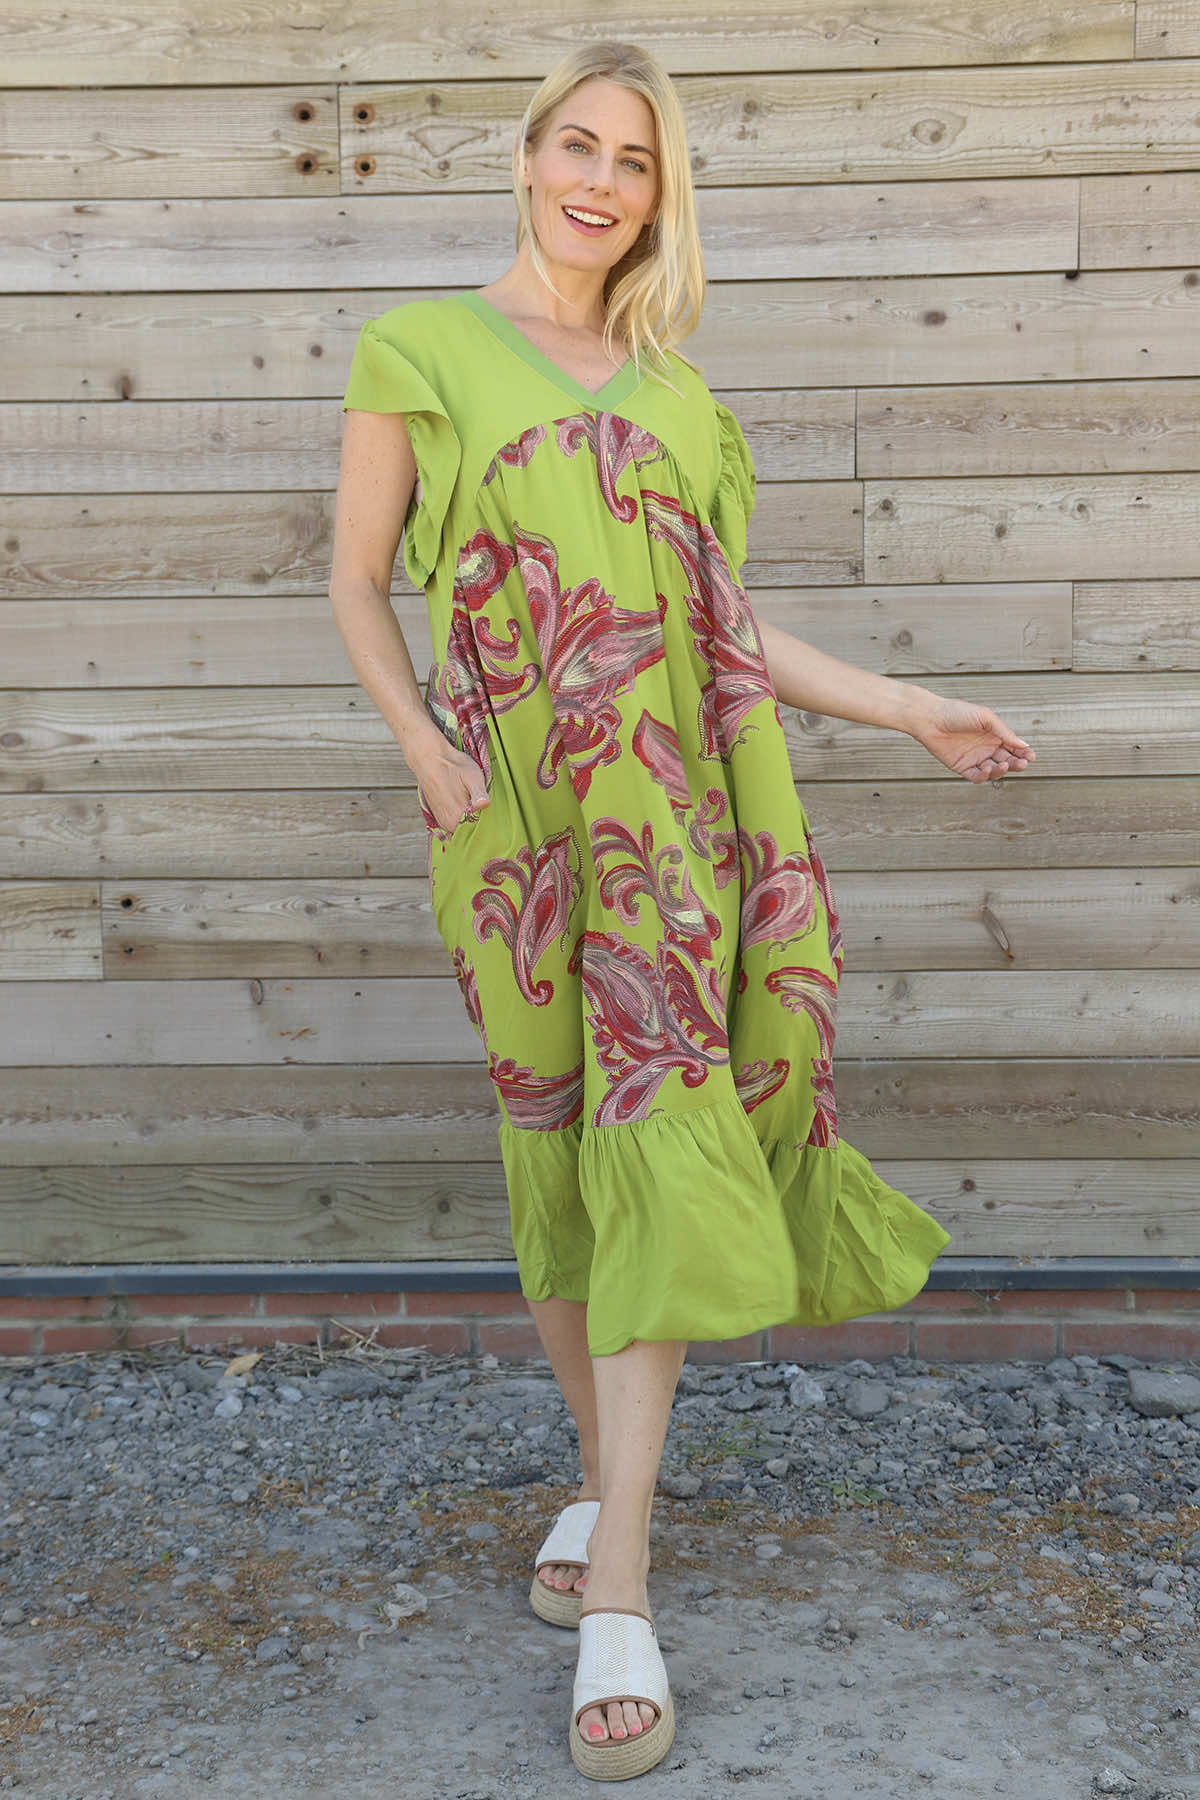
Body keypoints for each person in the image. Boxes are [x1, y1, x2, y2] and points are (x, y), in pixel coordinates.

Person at [328, 40, 1036, 1781]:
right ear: (528, 157)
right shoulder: (419, 350)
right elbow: (352, 580)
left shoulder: (678, 398)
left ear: (660, 198)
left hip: (674, 832)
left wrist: (908, 706)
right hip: (513, 830)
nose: (600, 182)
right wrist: (421, 741)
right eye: (579, 146)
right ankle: (601, 1487)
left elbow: (727, 630)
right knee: (560, 1158)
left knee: (654, 1126)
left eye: (634, 162)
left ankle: (624, 1586)